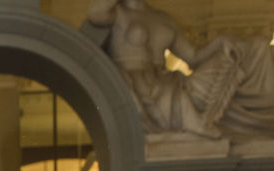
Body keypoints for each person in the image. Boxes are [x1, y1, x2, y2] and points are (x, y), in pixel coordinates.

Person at [86, 0, 274, 139]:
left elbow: (193, 58)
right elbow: (95, 12)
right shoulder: (118, 13)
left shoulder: (164, 19)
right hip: (135, 86)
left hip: (168, 81)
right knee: (168, 90)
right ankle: (194, 121)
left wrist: (219, 42)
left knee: (257, 46)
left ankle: (260, 116)